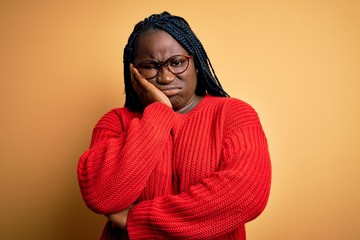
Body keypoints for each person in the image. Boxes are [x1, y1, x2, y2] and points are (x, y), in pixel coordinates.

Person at [77, 11, 271, 240]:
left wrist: (138, 220)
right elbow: (102, 195)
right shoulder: (116, 122)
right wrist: (159, 111)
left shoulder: (233, 114)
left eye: (177, 63)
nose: (166, 78)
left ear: (196, 64)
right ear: (134, 73)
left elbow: (245, 195)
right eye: (150, 66)